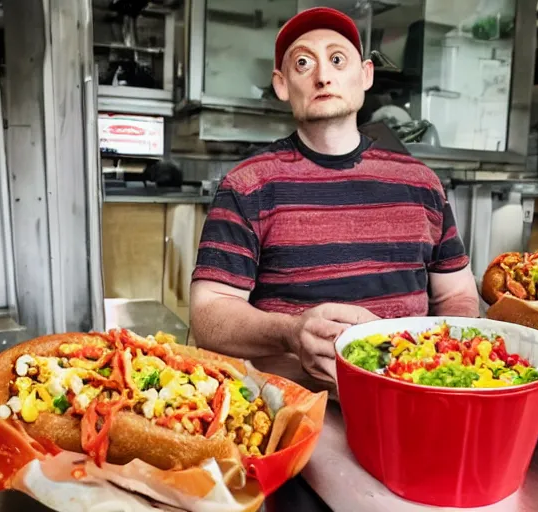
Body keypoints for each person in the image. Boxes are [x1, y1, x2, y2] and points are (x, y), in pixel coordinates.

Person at [189, 7, 479, 386]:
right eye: (304, 63)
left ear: (365, 74)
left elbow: (457, 292)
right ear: (281, 84)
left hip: (413, 399)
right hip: (293, 407)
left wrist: (445, 357)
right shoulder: (248, 186)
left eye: (337, 60)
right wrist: (291, 333)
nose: (323, 76)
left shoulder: (421, 183)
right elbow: (208, 314)